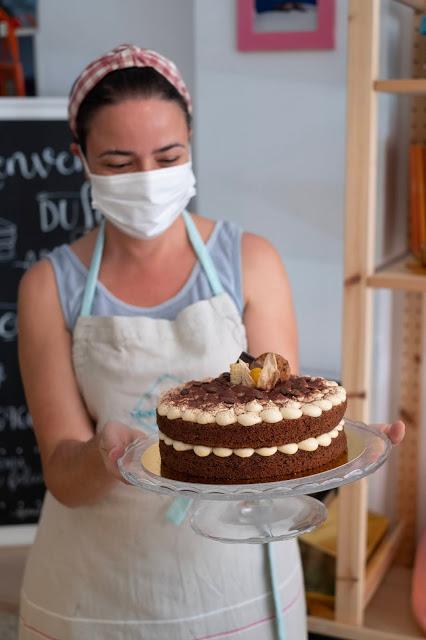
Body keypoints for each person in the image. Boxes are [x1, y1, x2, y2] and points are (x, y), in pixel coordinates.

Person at [17, 44, 404, 640]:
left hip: (234, 578)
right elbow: (63, 477)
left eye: (167, 156)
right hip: (97, 585)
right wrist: (104, 454)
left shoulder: (248, 262)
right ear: (82, 159)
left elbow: (277, 427)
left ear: (191, 145)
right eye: (119, 162)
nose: (147, 180)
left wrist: (337, 445)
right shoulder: (49, 287)